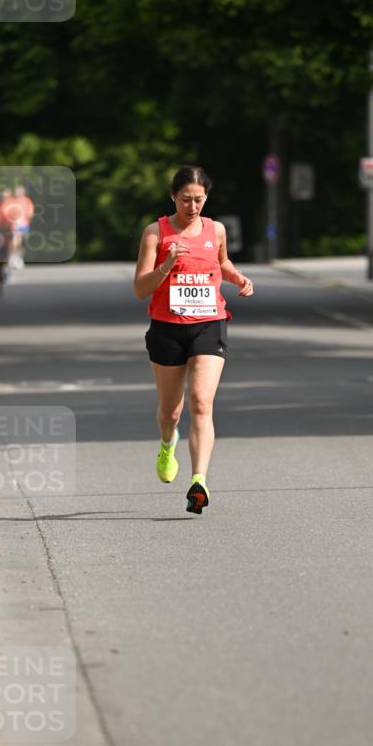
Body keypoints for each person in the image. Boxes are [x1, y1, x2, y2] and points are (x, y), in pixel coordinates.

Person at [133, 165, 254, 514]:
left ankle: (198, 481)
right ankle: (167, 444)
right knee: (171, 412)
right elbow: (140, 288)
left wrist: (238, 278)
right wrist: (166, 265)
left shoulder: (215, 229)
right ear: (174, 196)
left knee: (201, 402)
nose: (192, 206)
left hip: (209, 323)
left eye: (199, 200)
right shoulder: (156, 233)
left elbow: (222, 263)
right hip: (167, 328)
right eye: (185, 199)